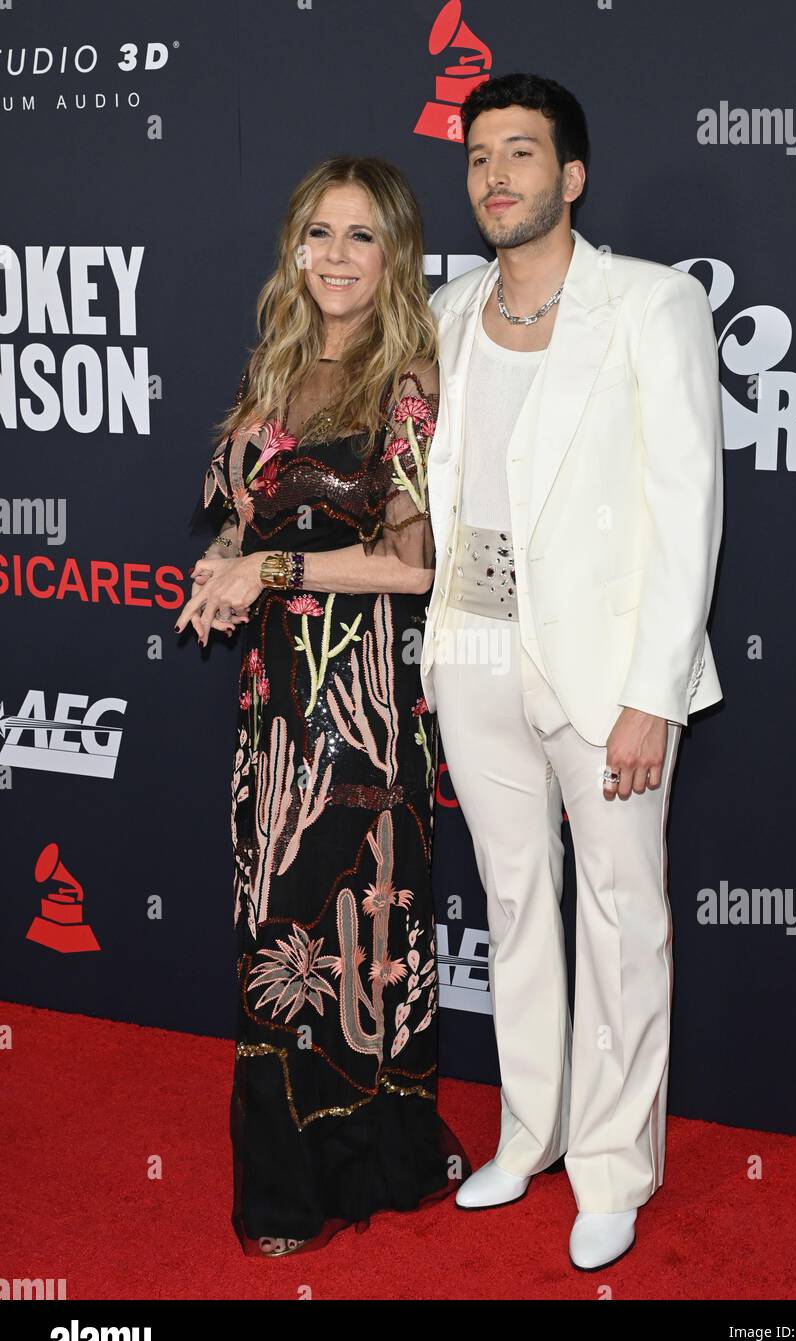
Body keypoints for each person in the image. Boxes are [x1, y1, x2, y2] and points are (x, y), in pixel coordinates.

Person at [420, 73, 724, 1271]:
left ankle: (611, 1166)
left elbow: (688, 507)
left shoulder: (651, 305)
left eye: (523, 154)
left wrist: (655, 690)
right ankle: (527, 1131)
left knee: (620, 913)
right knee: (510, 902)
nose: (498, 176)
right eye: (482, 156)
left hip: (607, 673)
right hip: (476, 645)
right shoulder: (445, 311)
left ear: (572, 175)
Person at [176, 156, 471, 1257]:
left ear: (394, 254)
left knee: (343, 925)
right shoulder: (276, 365)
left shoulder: (407, 385)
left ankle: (334, 1173)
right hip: (276, 701)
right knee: (275, 925)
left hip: (359, 705)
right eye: (317, 233)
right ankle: (321, 1162)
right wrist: (223, 563)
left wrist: (276, 578)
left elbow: (416, 564)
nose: (334, 257)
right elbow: (250, 523)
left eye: (359, 236)